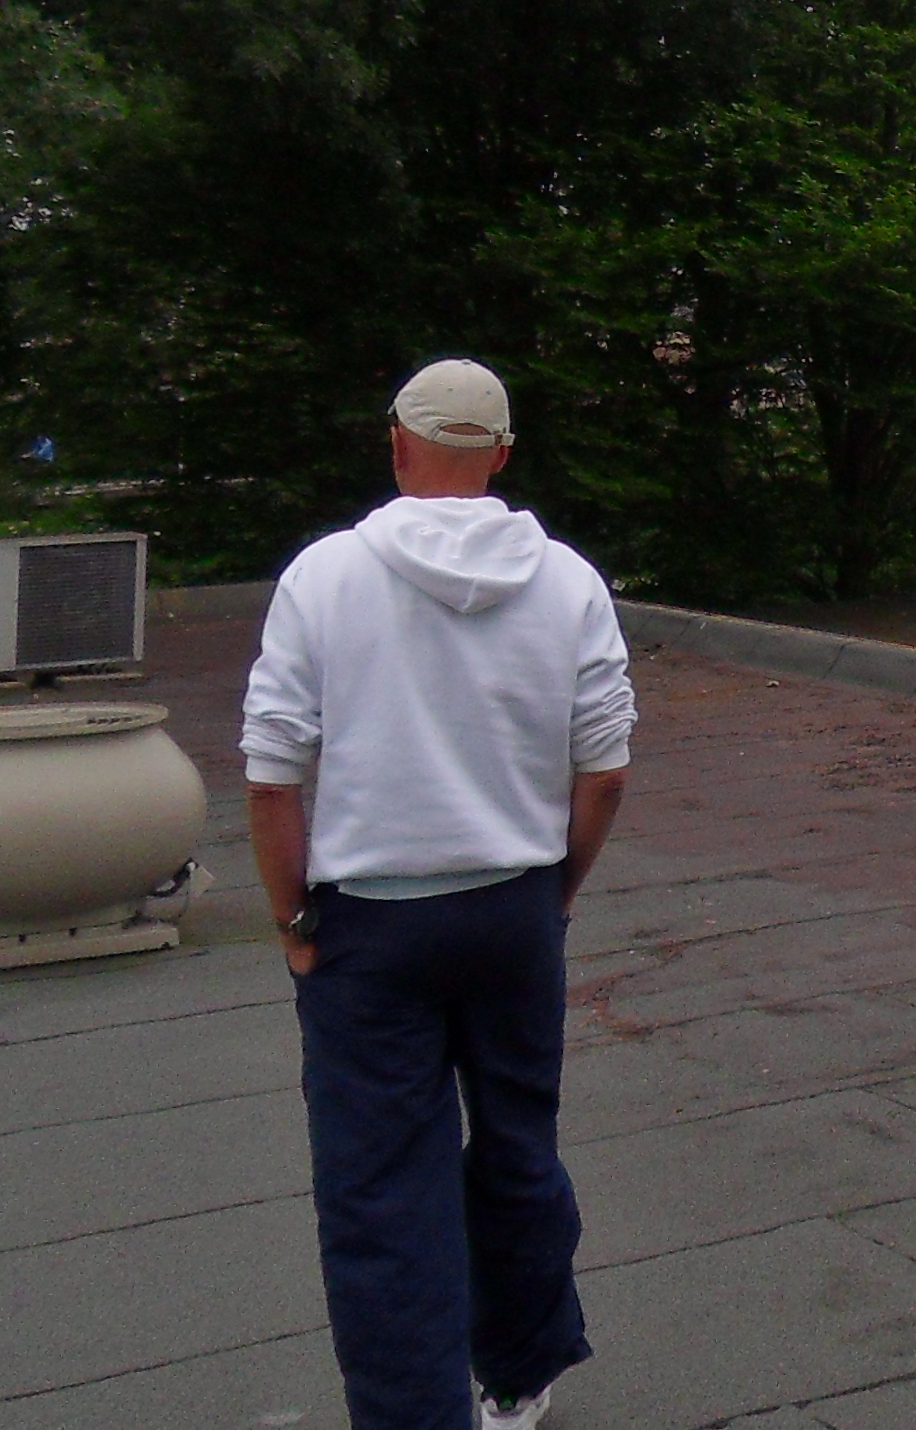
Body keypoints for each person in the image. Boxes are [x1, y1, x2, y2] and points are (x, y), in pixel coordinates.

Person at [242, 358, 635, 1430]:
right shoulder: (569, 581)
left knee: (380, 1189)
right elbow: (603, 773)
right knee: (516, 1147)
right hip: (512, 911)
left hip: (370, 924)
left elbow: (272, 775)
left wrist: (292, 922)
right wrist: (556, 892)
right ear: (501, 454)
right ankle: (517, 1374)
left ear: (397, 444)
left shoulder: (325, 576)